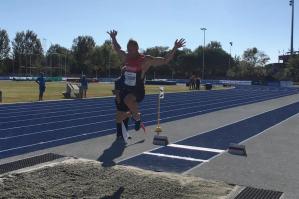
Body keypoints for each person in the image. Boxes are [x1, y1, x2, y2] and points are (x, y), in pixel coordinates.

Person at [107, 30, 185, 140]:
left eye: (130, 50)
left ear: (136, 49)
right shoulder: (126, 57)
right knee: (120, 113)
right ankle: (129, 124)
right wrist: (114, 38)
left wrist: (175, 48)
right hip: (126, 88)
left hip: (138, 90)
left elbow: (164, 60)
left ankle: (137, 118)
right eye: (127, 49)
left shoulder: (145, 60)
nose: (128, 51)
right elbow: (117, 49)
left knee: (128, 100)